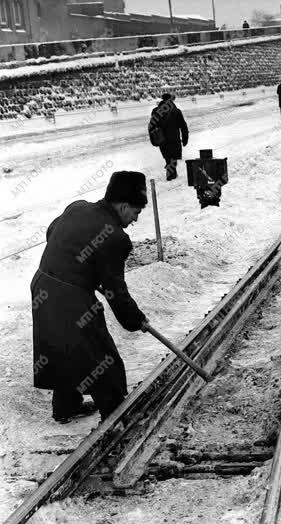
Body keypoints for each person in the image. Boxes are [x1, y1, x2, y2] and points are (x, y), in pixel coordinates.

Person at [31, 171, 149, 423]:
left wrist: (72, 263)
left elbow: (53, 231)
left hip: (43, 284)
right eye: (136, 213)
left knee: (63, 347)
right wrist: (135, 319)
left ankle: (66, 407)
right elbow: (115, 291)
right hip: (70, 298)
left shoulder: (78, 208)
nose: (135, 219)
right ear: (124, 205)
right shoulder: (116, 238)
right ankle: (116, 418)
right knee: (102, 358)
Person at [148, 93, 188, 181]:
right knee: (173, 158)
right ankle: (171, 175)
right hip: (174, 139)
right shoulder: (176, 111)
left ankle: (171, 173)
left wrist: (153, 140)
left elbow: (151, 126)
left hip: (162, 139)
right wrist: (185, 138)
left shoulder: (156, 111)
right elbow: (183, 126)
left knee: (167, 157)